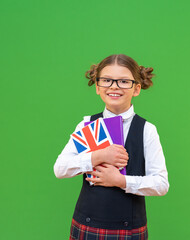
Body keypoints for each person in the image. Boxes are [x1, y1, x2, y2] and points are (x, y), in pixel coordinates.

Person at [54, 54, 169, 240]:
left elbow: (161, 184)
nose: (114, 86)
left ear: (137, 88)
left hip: (129, 230)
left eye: (124, 81)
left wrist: (121, 181)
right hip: (86, 226)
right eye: (107, 80)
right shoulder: (86, 125)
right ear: (98, 87)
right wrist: (98, 156)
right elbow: (60, 169)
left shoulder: (147, 130)